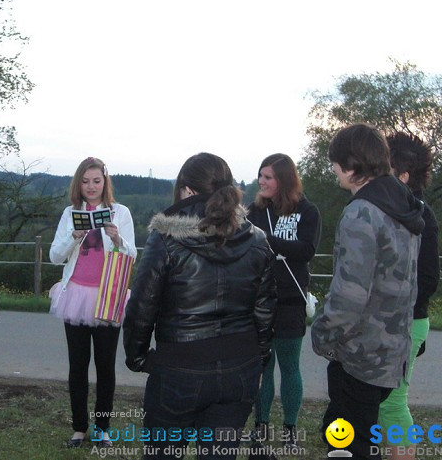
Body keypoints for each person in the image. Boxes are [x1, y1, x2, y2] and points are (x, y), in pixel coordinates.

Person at [123, 152, 276, 460]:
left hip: (179, 369)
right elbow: (265, 311)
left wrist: (138, 357)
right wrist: (258, 361)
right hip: (239, 370)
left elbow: (142, 306)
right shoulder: (258, 239)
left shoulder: (166, 239)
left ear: (188, 190)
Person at [311, 124, 424, 460]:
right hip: (391, 350)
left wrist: (322, 333)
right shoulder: (404, 204)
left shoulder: (361, 212)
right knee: (361, 437)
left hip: (359, 354)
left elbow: (350, 295)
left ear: (350, 165)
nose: (332, 168)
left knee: (347, 443)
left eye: (335, 162)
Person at [48, 156, 137, 448]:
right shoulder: (70, 212)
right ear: (78, 182)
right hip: (75, 294)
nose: (91, 186)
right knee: (77, 365)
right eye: (85, 181)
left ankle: (103, 429)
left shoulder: (119, 212)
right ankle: (79, 428)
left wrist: (118, 237)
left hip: (108, 294)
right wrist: (74, 237)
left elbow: (132, 253)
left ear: (105, 182)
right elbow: (54, 257)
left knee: (106, 366)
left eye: (96, 180)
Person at [245, 153, 320, 451]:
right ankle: (260, 425)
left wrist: (268, 241)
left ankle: (290, 428)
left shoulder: (307, 211)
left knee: (289, 366)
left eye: (268, 177)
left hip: (290, 300)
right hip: (258, 300)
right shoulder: (253, 211)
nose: (261, 182)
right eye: (260, 176)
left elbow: (306, 250)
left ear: (284, 180)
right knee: (263, 365)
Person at [377, 132, 440, 460]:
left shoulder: (419, 216)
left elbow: (428, 279)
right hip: (397, 323)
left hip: (405, 322)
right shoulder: (387, 210)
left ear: (402, 175)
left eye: (382, 168)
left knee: (391, 405)